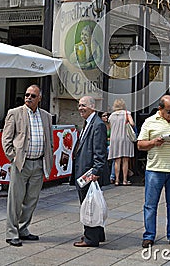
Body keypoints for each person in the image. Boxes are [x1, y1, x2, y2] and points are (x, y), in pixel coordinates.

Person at [1, 85, 53, 247]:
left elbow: (49, 140)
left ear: (39, 98)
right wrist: (14, 158)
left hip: (38, 162)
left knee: (31, 200)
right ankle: (12, 233)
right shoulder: (15, 113)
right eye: (27, 95)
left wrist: (47, 158)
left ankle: (23, 229)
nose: (29, 98)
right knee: (15, 200)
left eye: (32, 95)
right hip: (21, 164)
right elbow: (6, 140)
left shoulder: (46, 116)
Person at [137, 95, 170, 249]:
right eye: (169, 111)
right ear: (160, 109)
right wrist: (154, 142)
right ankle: (149, 236)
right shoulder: (150, 122)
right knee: (150, 205)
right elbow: (140, 145)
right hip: (155, 169)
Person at [72, 95, 107, 247]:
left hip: (89, 173)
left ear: (92, 106)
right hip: (84, 171)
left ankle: (90, 238)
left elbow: (100, 152)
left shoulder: (97, 124)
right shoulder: (89, 122)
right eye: (79, 105)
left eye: (83, 105)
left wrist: (96, 171)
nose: (80, 108)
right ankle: (97, 234)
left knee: (89, 205)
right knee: (89, 202)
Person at [108, 98, 135, 186]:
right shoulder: (127, 113)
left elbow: (111, 127)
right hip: (125, 137)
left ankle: (116, 180)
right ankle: (124, 180)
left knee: (117, 160)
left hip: (114, 138)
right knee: (125, 160)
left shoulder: (111, 116)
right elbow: (132, 123)